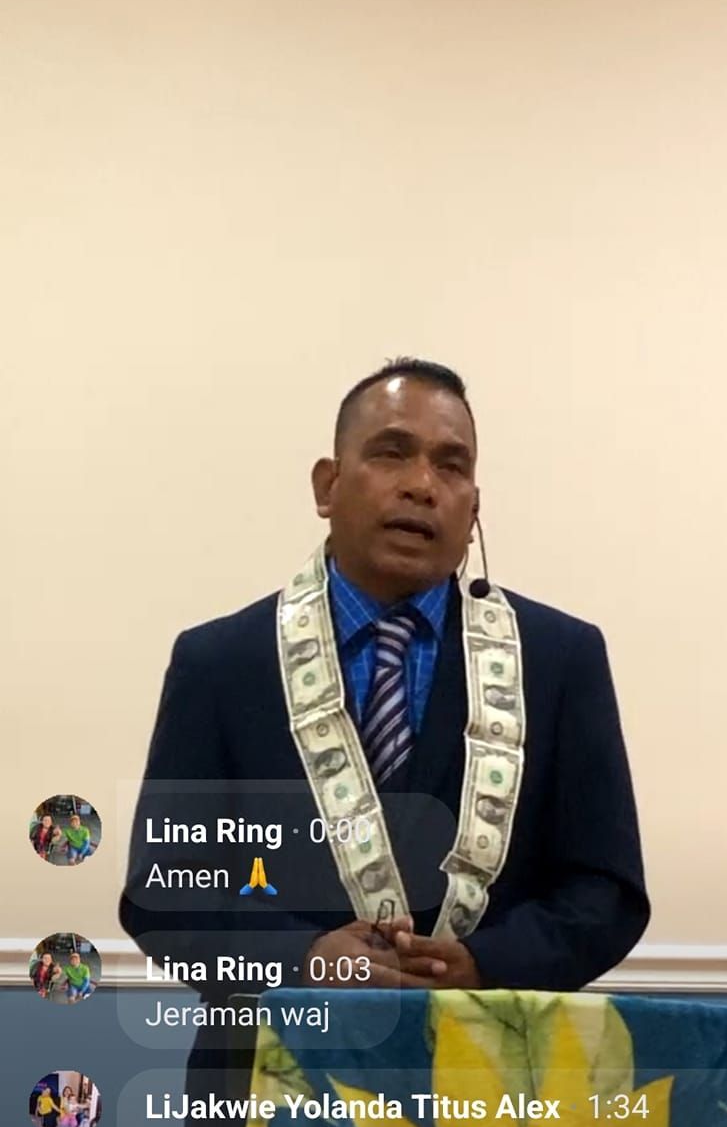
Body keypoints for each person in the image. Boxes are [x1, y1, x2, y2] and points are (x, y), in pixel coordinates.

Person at [121, 359, 649, 995]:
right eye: (392, 453)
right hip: (266, 1067)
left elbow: (605, 891)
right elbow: (164, 892)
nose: (422, 485)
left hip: (489, 1072)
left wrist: (488, 963)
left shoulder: (560, 659)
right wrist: (303, 957)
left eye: (451, 466)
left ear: (474, 507)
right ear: (327, 486)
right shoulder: (221, 662)